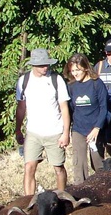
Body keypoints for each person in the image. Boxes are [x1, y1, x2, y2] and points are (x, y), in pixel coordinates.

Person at [15, 48, 71, 196]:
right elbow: (21, 107)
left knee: (58, 167)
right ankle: (28, 201)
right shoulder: (24, 81)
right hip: (33, 132)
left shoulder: (56, 80)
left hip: (54, 131)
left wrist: (66, 133)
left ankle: (61, 197)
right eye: (41, 65)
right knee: (29, 167)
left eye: (47, 64)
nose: (45, 67)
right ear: (33, 65)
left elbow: (64, 107)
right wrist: (18, 129)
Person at [65, 54, 108, 184]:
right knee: (79, 165)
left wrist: (97, 128)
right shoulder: (72, 86)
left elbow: (104, 107)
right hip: (78, 128)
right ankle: (80, 191)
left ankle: (103, 186)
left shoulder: (97, 84)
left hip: (95, 129)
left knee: (98, 163)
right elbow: (71, 109)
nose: (75, 74)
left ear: (85, 67)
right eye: (72, 71)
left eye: (77, 70)